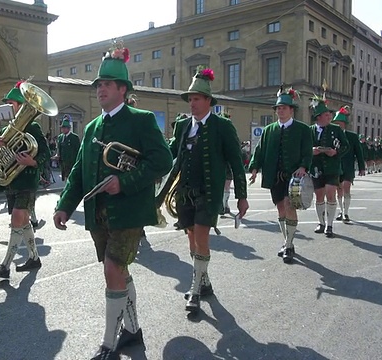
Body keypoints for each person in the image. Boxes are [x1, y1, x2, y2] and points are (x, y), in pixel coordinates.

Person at [53, 40, 172, 359]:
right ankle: (133, 332)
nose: (100, 89)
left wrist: (126, 181)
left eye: (106, 84)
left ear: (122, 89)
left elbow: (163, 161)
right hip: (98, 215)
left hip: (129, 211)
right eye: (98, 85)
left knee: (112, 268)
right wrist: (65, 204)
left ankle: (109, 343)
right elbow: (79, 170)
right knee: (118, 272)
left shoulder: (141, 119)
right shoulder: (92, 126)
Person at [168, 67, 248, 312]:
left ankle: (194, 290)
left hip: (209, 194)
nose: (192, 103)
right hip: (185, 193)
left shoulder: (222, 126)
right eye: (190, 99)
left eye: (196, 99)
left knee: (202, 237)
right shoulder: (182, 126)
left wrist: (241, 196)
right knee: (192, 240)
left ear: (207, 101)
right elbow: (172, 155)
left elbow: (236, 161)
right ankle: (205, 280)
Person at [0, 80, 51, 277]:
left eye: (11, 104)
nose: (7, 107)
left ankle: (5, 266)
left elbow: (46, 153)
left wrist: (33, 161)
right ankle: (34, 258)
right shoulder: (7, 130)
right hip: (13, 181)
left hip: (27, 181)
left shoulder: (34, 127)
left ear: (21, 106)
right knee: (22, 222)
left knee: (16, 219)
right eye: (7, 103)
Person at [249, 86, 312, 264]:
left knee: (289, 206)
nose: (280, 111)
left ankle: (289, 244)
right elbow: (259, 151)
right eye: (278, 108)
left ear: (291, 110)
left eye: (284, 108)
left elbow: (307, 152)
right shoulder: (269, 130)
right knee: (281, 209)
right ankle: (286, 241)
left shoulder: (303, 130)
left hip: (293, 178)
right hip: (274, 176)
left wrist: (303, 166)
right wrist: (254, 168)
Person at [309, 95, 349, 238]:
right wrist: (311, 151)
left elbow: (346, 146)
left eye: (329, 114)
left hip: (332, 167)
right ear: (319, 117)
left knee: (330, 193)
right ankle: (321, 222)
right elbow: (302, 148)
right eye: (327, 114)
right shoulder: (310, 130)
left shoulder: (336, 129)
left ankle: (330, 225)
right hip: (316, 168)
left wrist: (336, 152)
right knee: (319, 196)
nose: (329, 116)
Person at [332, 106, 366, 223]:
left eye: (340, 123)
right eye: (336, 123)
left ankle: (346, 213)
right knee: (338, 190)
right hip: (336, 166)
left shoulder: (352, 136)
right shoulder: (332, 135)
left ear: (344, 124)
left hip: (348, 166)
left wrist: (362, 167)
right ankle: (341, 211)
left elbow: (359, 152)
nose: (338, 125)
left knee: (346, 188)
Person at [56, 114, 81, 182]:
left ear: (69, 128)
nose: (63, 129)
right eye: (62, 127)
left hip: (71, 162)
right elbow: (59, 148)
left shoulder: (74, 137)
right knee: (65, 179)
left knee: (71, 179)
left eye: (65, 127)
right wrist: (57, 155)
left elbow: (79, 150)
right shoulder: (60, 137)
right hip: (63, 163)